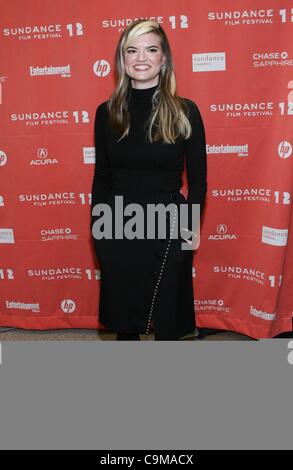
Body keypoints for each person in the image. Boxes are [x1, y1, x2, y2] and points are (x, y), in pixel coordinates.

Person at [90, 19, 207, 341]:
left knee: (167, 319)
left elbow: (197, 180)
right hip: (118, 223)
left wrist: (189, 229)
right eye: (132, 50)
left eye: (151, 49)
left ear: (163, 59)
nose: (141, 58)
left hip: (169, 223)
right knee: (125, 320)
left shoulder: (185, 111)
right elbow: (102, 175)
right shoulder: (107, 113)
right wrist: (99, 226)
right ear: (122, 60)